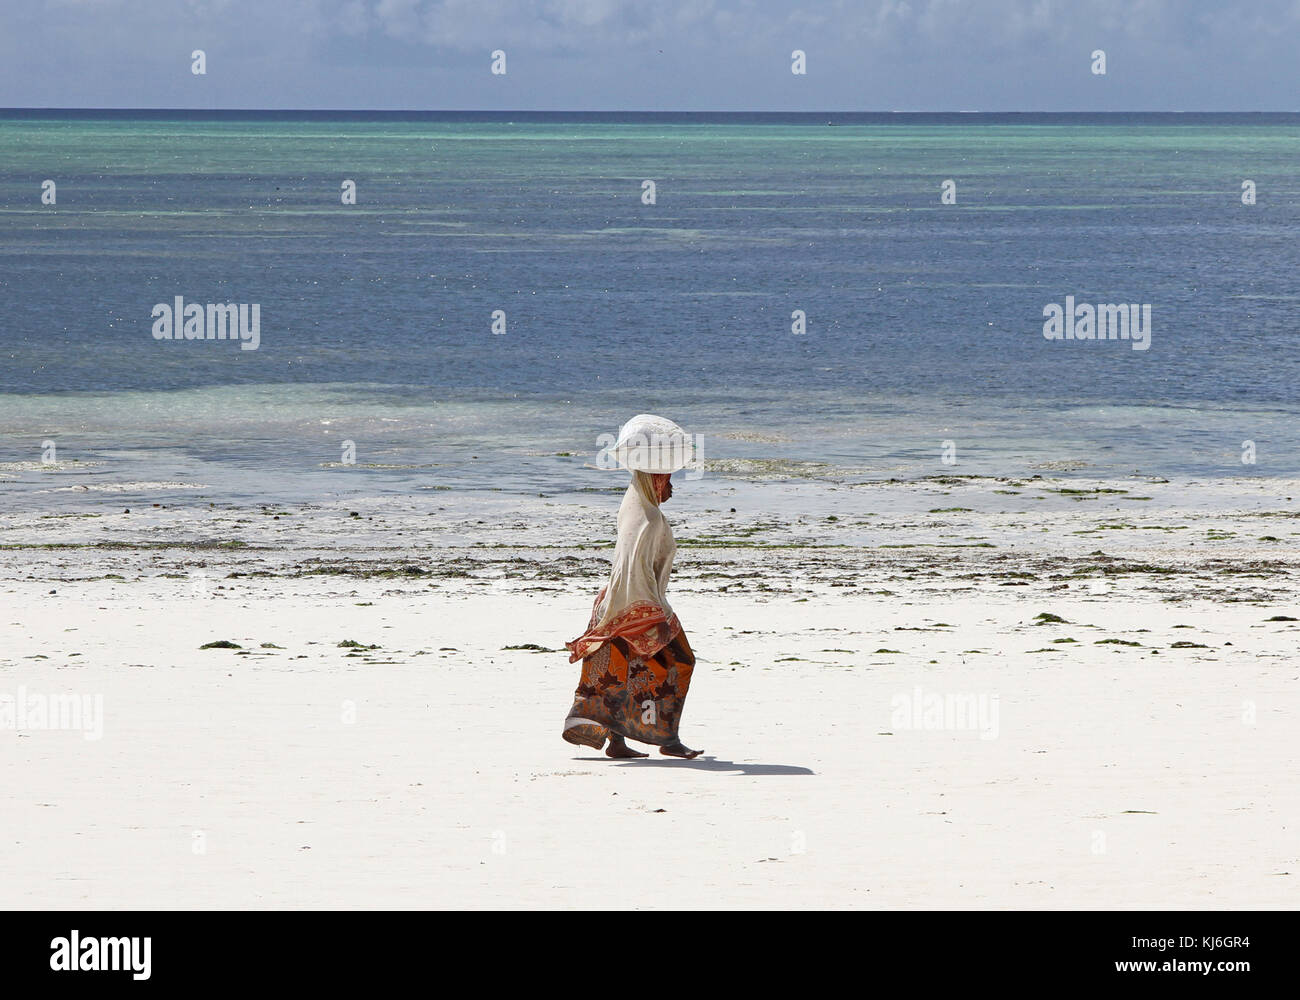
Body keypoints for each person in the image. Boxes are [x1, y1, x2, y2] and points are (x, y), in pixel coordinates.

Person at [562, 469, 701, 759]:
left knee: (619, 674)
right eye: (668, 481)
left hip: (618, 602)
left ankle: (622, 742)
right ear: (655, 483)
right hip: (633, 604)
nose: (672, 488)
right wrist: (652, 614)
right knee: (680, 662)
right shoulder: (648, 520)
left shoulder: (638, 508)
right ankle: (667, 739)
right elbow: (636, 570)